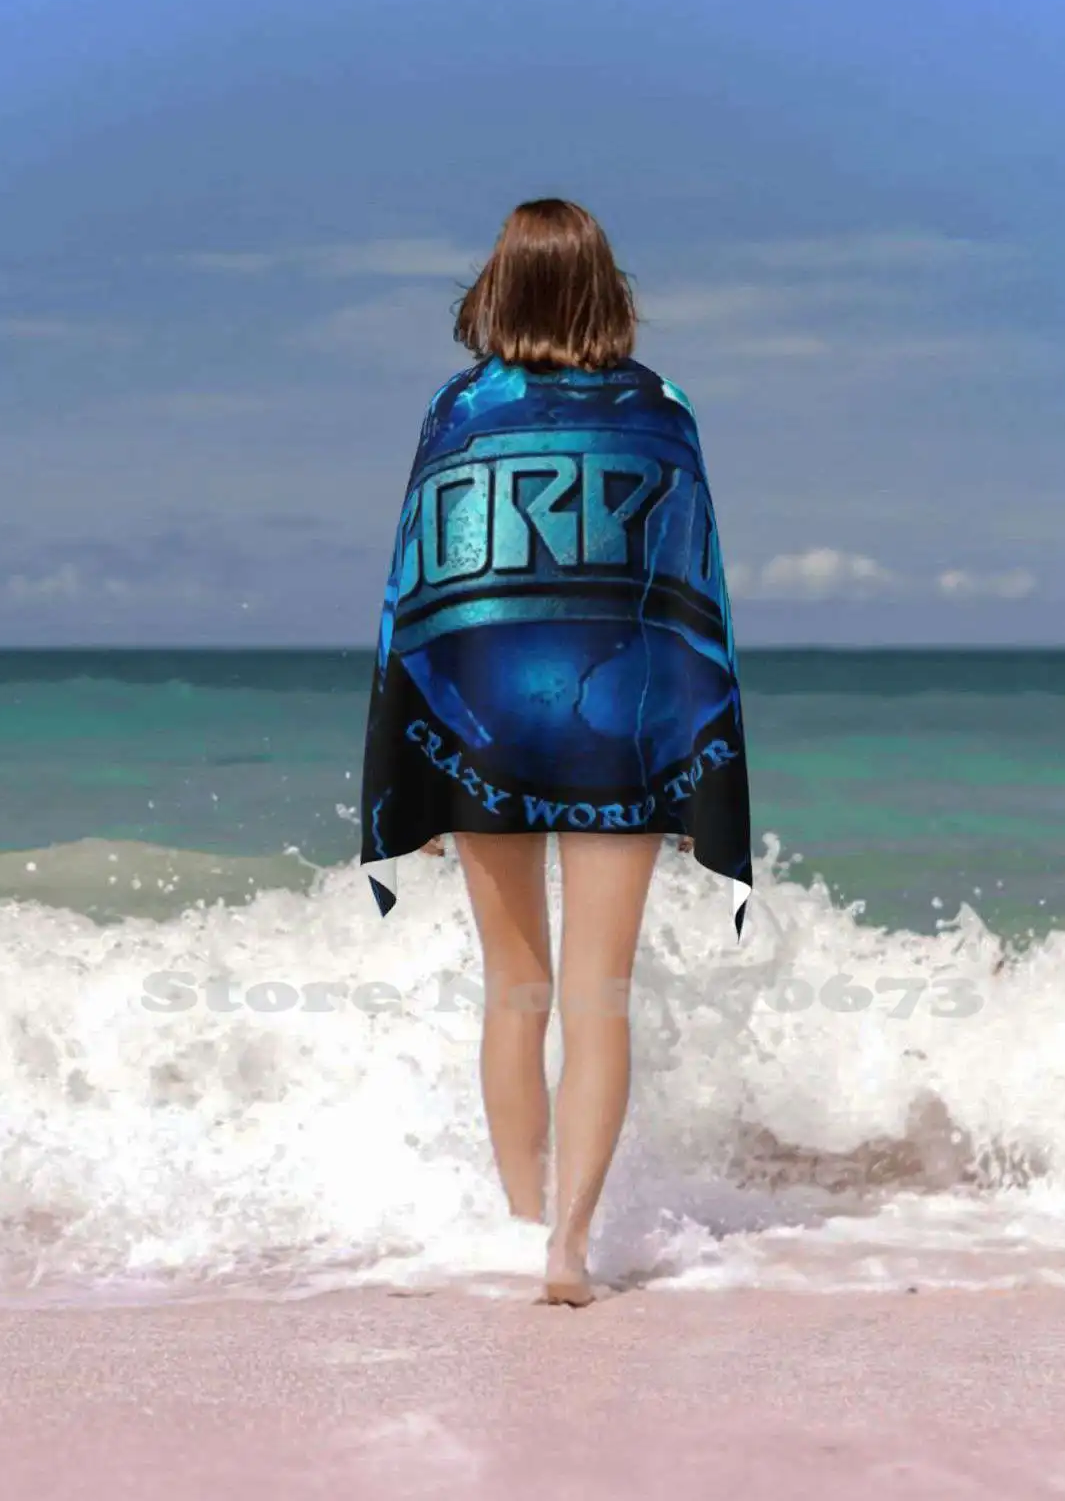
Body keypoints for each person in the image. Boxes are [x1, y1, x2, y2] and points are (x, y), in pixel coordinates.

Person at [359, 198, 752, 1305]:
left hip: (475, 723)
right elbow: (694, 592)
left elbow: (417, 588)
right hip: (623, 724)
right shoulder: (663, 408)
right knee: (598, 993)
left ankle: (521, 1226)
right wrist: (701, 764)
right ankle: (566, 1249)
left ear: (500, 285)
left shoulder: (457, 407)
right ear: (603, 286)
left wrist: (408, 764)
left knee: (514, 989)